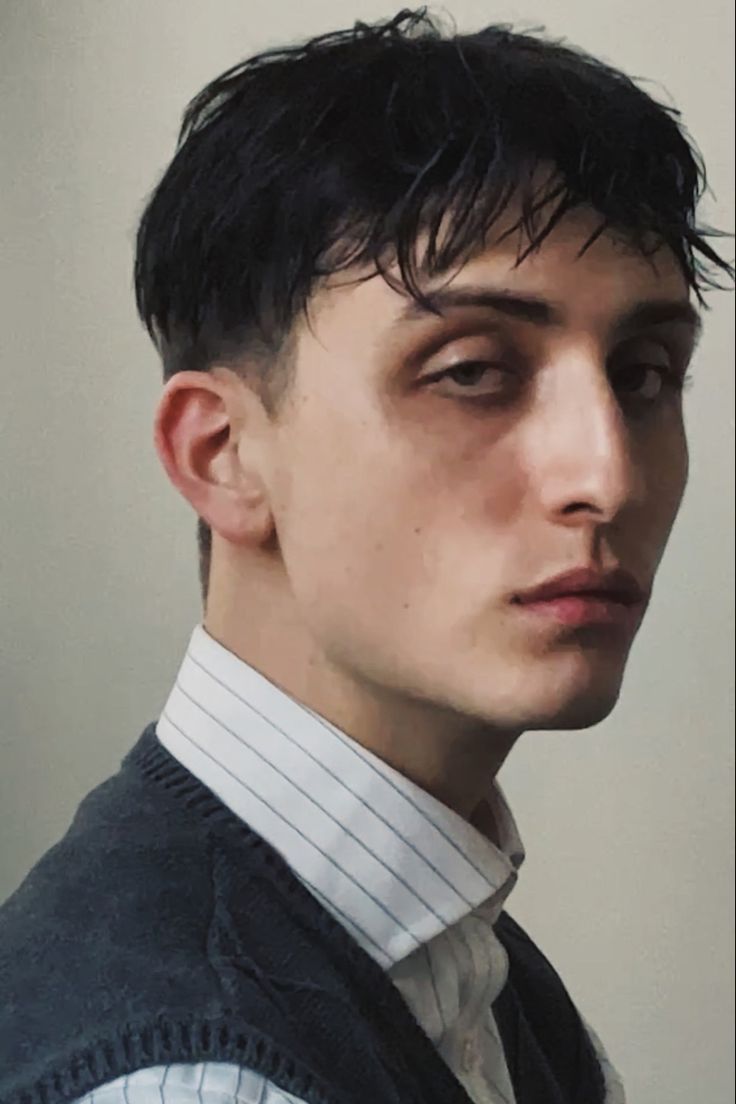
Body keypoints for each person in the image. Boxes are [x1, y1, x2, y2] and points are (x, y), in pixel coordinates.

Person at [1, 7, 732, 1104]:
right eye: (474, 370)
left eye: (642, 374)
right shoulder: (194, 1076)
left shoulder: (448, 951)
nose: (609, 475)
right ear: (224, 456)